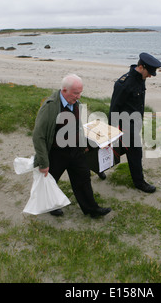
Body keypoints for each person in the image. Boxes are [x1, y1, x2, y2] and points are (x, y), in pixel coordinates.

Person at [32, 74, 111, 218]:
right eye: (76, 93)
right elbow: (38, 136)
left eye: (80, 92)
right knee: (51, 180)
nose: (79, 96)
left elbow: (79, 128)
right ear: (64, 90)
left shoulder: (77, 104)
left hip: (75, 151)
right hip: (57, 152)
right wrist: (43, 162)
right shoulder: (49, 107)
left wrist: (83, 145)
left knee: (83, 178)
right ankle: (51, 205)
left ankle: (92, 210)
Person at [109, 53, 161, 193]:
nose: (150, 75)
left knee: (117, 150)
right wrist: (111, 132)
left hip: (135, 123)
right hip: (125, 126)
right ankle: (139, 182)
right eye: (149, 72)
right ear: (140, 66)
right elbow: (114, 108)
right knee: (135, 153)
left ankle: (99, 167)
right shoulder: (123, 84)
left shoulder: (140, 78)